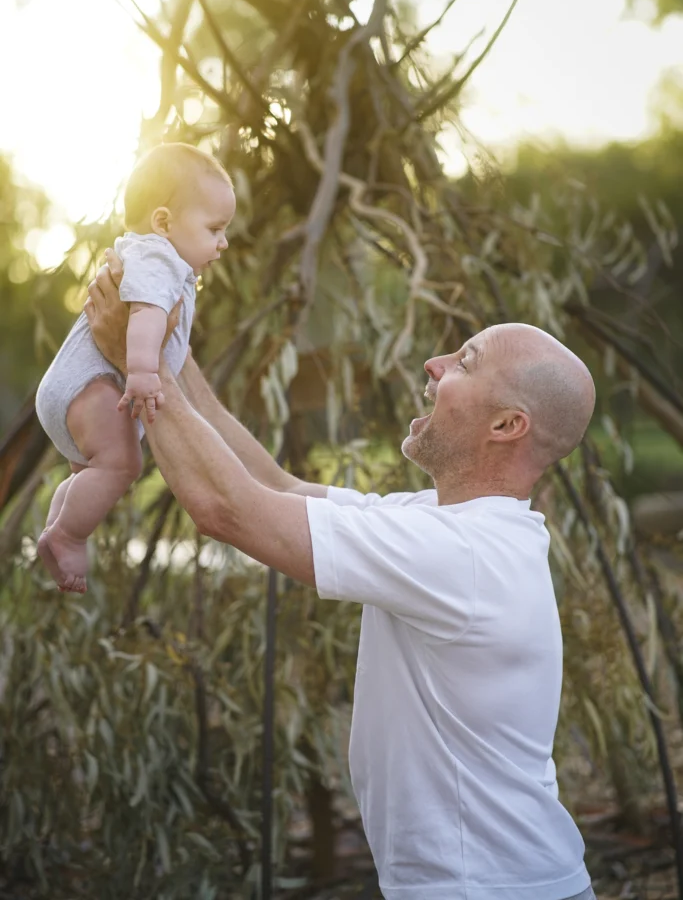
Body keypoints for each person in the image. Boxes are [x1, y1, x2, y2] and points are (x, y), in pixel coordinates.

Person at [84, 259, 597, 900]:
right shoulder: (446, 525)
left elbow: (230, 511)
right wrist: (165, 341)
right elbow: (276, 486)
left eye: (466, 362)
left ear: (506, 426)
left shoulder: (460, 554)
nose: (435, 364)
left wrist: (143, 372)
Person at [35, 144, 235, 594]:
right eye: (215, 229)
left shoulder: (149, 256)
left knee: (91, 472)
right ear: (164, 222)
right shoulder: (158, 257)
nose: (223, 242)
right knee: (122, 465)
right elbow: (144, 315)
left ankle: (57, 529)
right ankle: (67, 533)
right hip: (90, 386)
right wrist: (142, 371)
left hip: (75, 391)